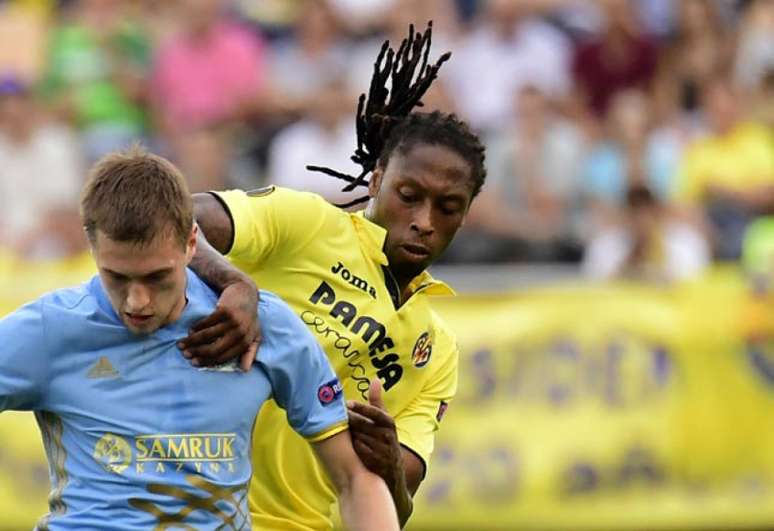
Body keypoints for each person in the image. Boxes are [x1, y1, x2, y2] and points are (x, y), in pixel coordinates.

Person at [179, 24, 487, 529]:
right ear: (377, 180)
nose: (425, 221)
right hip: (186, 508)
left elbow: (401, 501)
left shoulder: (437, 351)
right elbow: (171, 216)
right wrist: (235, 282)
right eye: (409, 196)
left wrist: (388, 460)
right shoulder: (306, 224)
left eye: (448, 207)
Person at [0, 147, 399, 530]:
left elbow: (355, 479)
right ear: (92, 246)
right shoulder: (50, 329)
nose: (137, 301)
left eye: (158, 277)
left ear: (192, 243)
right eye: (117, 277)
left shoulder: (259, 323)